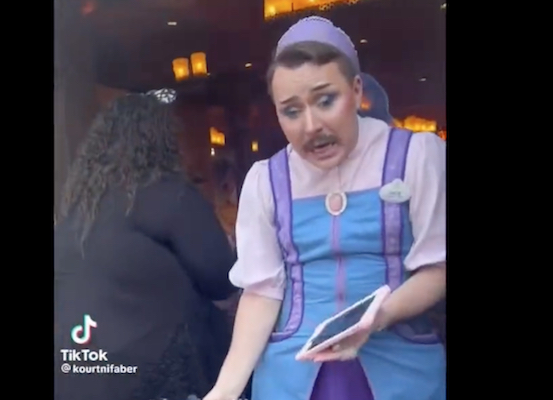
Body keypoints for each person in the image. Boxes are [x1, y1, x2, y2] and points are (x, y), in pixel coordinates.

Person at [203, 16, 446, 400]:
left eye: (326, 100)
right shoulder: (266, 180)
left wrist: (377, 317)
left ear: (356, 90)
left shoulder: (416, 155)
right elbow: (262, 293)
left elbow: (437, 268)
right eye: (291, 111)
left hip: (402, 372)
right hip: (291, 378)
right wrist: (225, 389)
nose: (311, 125)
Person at [54, 90, 238, 400]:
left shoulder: (75, 213)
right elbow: (222, 279)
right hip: (152, 376)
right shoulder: (170, 196)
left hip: (76, 373)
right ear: (162, 142)